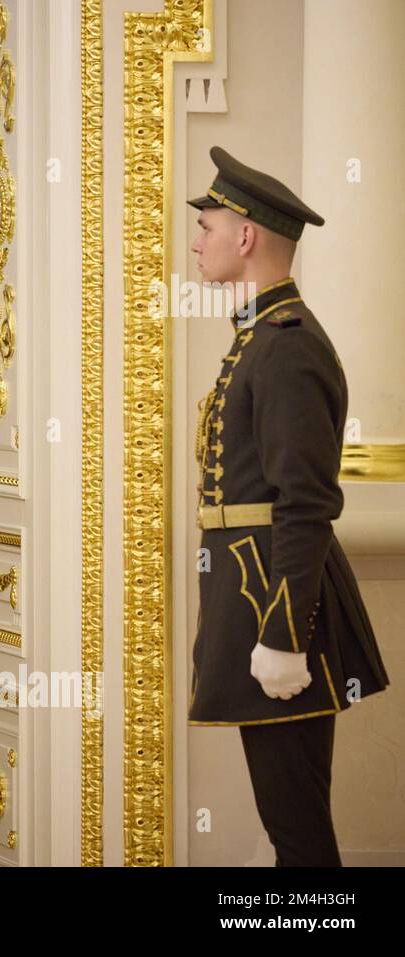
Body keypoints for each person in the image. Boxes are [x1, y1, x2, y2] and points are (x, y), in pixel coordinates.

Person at [187, 146, 389, 866]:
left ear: (245, 236)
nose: (196, 239)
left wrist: (283, 634)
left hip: (277, 604)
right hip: (252, 593)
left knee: (298, 829)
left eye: (206, 225)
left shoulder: (287, 347)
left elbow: (305, 504)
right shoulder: (256, 339)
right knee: (289, 823)